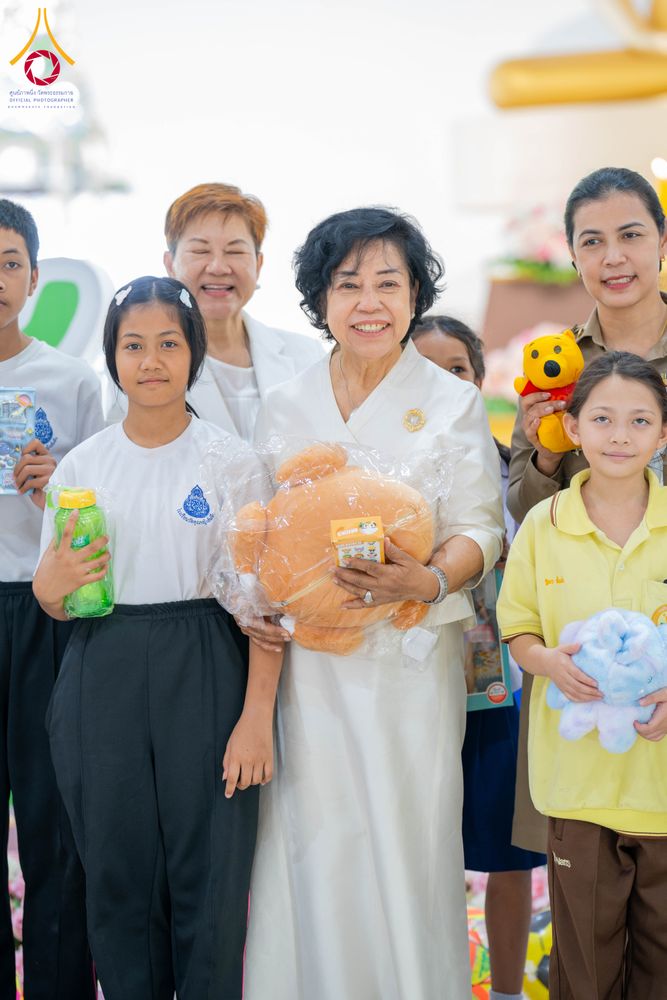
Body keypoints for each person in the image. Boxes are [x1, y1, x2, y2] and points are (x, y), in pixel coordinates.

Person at [242, 207, 504, 1000]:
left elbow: (479, 530)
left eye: (388, 282)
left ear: (415, 293)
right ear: (319, 298)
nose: (368, 301)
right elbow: (258, 529)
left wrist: (425, 581)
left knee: (406, 841)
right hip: (308, 672)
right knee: (310, 842)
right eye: (346, 282)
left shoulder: (449, 401)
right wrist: (252, 591)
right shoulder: (282, 403)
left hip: (407, 661)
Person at [33, 277, 282, 1000]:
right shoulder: (83, 467)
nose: (151, 360)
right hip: (100, 669)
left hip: (207, 664)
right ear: (111, 358)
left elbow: (264, 610)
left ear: (193, 352)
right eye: (133, 346)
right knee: (115, 873)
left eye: (168, 343)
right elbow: (56, 602)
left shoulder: (232, 463)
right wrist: (51, 585)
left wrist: (256, 721)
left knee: (209, 878)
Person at [507, 166, 667, 856]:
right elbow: (520, 510)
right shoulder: (555, 365)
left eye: (629, 235)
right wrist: (544, 451)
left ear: (660, 241)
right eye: (591, 241)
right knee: (586, 876)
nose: (612, 258)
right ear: (571, 255)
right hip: (583, 669)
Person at [498, 351, 667, 999]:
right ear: (571, 429)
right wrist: (547, 665)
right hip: (575, 788)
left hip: (658, 789)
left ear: (661, 433)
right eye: (601, 418)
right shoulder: (544, 524)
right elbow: (518, 629)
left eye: (637, 420)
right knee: (584, 971)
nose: (618, 435)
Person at [413, 314, 545, 1000]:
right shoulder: (387, 478)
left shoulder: (513, 473)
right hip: (412, 690)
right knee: (425, 853)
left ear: (477, 379)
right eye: (425, 369)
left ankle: (506, 990)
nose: (442, 383)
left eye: (455, 369)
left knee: (508, 852)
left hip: (500, 690)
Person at [0, 199, 102, 999]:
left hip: (44, 610)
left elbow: (99, 515)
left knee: (53, 824)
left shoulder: (71, 384)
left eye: (9, 263)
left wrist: (53, 493)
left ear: (34, 278)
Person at [158, 182, 323, 439]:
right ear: (170, 265)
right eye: (200, 250)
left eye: (235, 251)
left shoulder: (307, 357)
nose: (218, 267)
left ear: (258, 264)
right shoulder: (146, 363)